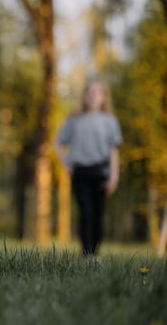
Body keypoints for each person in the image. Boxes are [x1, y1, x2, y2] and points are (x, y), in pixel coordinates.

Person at [55, 80, 122, 257]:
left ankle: (95, 253)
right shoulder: (74, 119)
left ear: (103, 97)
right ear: (84, 97)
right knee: (86, 213)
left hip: (101, 173)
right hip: (80, 173)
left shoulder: (110, 121)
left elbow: (113, 151)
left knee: (98, 216)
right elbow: (58, 143)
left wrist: (114, 176)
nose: (93, 96)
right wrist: (66, 164)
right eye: (90, 93)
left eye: (97, 93)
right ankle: (87, 255)